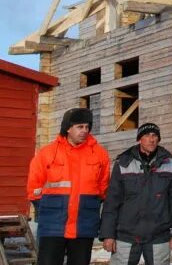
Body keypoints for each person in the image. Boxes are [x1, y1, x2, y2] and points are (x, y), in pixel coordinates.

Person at [27, 108, 111, 265]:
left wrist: (90, 205)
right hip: (53, 224)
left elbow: (103, 187)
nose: (84, 131)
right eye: (80, 127)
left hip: (83, 224)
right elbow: (34, 187)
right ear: (68, 128)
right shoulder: (47, 153)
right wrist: (45, 207)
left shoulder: (99, 154)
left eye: (87, 127)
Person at [100, 122, 172, 265]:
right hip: (126, 235)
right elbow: (112, 203)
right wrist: (108, 234)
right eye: (147, 135)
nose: (151, 139)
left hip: (159, 235)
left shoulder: (171, 164)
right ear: (139, 139)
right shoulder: (123, 163)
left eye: (155, 136)